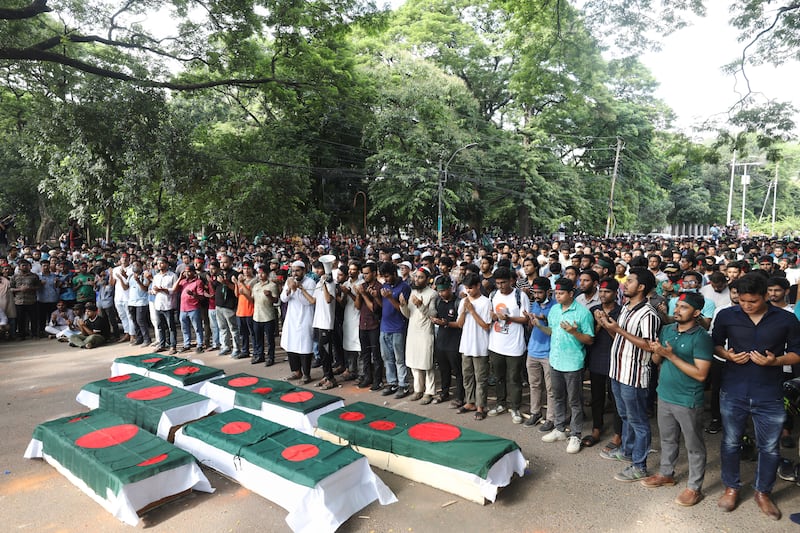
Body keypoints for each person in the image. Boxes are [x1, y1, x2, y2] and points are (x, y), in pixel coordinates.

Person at [712, 273, 800, 520]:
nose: (746, 305)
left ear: (766, 296)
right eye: (742, 300)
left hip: (770, 393)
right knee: (730, 442)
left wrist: (776, 361)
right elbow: (715, 344)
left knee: (769, 447)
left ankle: (763, 492)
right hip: (733, 389)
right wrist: (727, 355)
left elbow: (797, 352)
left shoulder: (786, 319)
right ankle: (732, 487)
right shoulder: (727, 315)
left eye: (752, 301)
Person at [642, 291, 712, 507]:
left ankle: (694, 487)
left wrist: (670, 355)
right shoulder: (667, 329)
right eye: (677, 306)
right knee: (667, 439)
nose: (678, 310)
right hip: (665, 394)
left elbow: (701, 374)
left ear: (697, 312)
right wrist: (658, 352)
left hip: (688, 398)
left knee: (694, 445)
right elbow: (656, 360)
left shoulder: (702, 338)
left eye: (684, 307)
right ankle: (666, 473)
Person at [596, 268, 661, 482]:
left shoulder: (648, 314)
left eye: (630, 281)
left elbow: (650, 346)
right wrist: (607, 325)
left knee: (639, 421)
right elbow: (619, 337)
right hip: (617, 371)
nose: (625, 284)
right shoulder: (626, 307)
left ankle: (640, 466)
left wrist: (620, 330)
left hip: (634, 376)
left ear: (641, 287)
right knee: (625, 416)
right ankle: (627, 451)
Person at [539, 277, 594, 454]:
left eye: (561, 293)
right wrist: (537, 326)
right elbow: (552, 331)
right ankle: (560, 429)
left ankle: (576, 434)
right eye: (556, 293)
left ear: (571, 294)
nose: (558, 296)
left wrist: (574, 332)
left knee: (575, 401)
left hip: (572, 362)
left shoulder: (583, 313)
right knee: (558, 397)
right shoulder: (554, 310)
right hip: (555, 360)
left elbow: (590, 339)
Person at [486, 267, 530, 424]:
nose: (500, 286)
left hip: (514, 345)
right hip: (496, 344)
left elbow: (526, 319)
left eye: (503, 282)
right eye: (497, 283)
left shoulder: (520, 296)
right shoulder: (493, 295)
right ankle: (500, 403)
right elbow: (489, 314)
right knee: (499, 377)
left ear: (511, 281)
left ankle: (515, 407)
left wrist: (509, 318)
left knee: (514, 378)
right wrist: (494, 316)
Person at [585, 278, 624, 450]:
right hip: (596, 359)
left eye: (607, 292)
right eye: (601, 291)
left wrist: (606, 323)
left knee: (616, 398)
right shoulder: (593, 310)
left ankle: (618, 434)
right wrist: (599, 324)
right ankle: (596, 428)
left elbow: (620, 338)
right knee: (596, 397)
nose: (602, 295)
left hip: (615, 360)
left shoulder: (622, 312)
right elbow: (590, 337)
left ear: (616, 293)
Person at [456, 272, 492, 419]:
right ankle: (470, 401)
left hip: (480, 345)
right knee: (467, 375)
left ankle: (480, 406)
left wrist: (472, 310)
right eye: (466, 288)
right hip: (466, 345)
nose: (468, 291)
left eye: (471, 287)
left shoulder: (486, 302)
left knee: (481, 378)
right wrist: (465, 311)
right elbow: (459, 324)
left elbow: (486, 326)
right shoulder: (464, 301)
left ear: (478, 286)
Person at [523, 276, 556, 430]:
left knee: (551, 389)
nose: (536, 296)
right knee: (534, 385)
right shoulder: (534, 304)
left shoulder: (555, 306)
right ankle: (535, 412)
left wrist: (541, 318)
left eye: (539, 293)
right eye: (534, 292)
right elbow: (533, 324)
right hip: (533, 350)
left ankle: (551, 418)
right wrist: (530, 319)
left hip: (548, 353)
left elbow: (552, 327)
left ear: (548, 292)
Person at [402, 267, 438, 404]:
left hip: (425, 332)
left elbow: (433, 315)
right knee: (414, 363)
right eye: (416, 277)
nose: (417, 280)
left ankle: (429, 392)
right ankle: (418, 390)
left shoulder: (433, 294)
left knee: (427, 363)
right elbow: (407, 315)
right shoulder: (412, 292)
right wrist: (403, 305)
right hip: (413, 331)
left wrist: (420, 305)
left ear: (427, 279)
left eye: (420, 277)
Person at [378, 261, 412, 399]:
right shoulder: (384, 286)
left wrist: (391, 297)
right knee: (387, 358)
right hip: (384, 327)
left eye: (387, 276)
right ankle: (392, 383)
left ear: (394, 273)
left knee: (399, 358)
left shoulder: (404, 287)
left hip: (398, 327)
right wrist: (377, 296)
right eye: (383, 277)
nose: (385, 279)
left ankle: (403, 385)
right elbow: (383, 305)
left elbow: (403, 310)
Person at [280, 260, 316, 383]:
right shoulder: (289, 281)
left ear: (304, 271)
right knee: (291, 345)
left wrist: (296, 290)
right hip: (291, 319)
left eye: (298, 270)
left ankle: (306, 374)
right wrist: (288, 290)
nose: (295, 273)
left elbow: (307, 302)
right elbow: (283, 299)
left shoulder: (310, 282)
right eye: (293, 270)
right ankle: (296, 372)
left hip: (305, 318)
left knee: (305, 348)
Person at [431, 275, 463, 406]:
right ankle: (444, 392)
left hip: (454, 341)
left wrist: (446, 323)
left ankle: (460, 397)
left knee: (457, 370)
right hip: (441, 340)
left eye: (443, 291)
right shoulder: (438, 301)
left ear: (450, 288)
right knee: (444, 370)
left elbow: (460, 323)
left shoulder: (458, 302)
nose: (441, 293)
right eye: (439, 291)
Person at [354, 261, 383, 390]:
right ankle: (367, 377)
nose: (364, 276)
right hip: (362, 324)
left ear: (374, 273)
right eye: (363, 274)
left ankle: (378, 379)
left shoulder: (378, 287)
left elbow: (374, 308)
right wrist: (359, 294)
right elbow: (357, 306)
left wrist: (365, 294)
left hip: (374, 324)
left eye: (367, 273)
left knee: (375, 354)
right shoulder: (362, 286)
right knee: (365, 354)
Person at [311, 260, 337, 389]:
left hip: (327, 323)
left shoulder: (331, 283)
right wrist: (301, 289)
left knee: (326, 351)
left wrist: (325, 285)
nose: (316, 272)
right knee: (321, 351)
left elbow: (328, 299)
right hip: (318, 321)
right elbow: (313, 300)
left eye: (318, 269)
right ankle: (326, 375)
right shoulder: (318, 283)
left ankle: (331, 378)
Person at [173, 265, 207, 353]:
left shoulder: (198, 282)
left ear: (193, 272)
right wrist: (180, 278)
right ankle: (186, 344)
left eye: (189, 271)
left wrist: (193, 294)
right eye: (185, 272)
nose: (187, 273)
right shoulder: (183, 281)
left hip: (194, 308)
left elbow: (201, 296)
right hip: (183, 308)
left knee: (197, 327)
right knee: (184, 328)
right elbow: (174, 289)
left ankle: (199, 344)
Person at [213, 254, 242, 358]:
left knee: (233, 328)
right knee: (222, 327)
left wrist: (225, 282)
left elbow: (236, 289)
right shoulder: (219, 273)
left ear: (230, 263)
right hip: (219, 305)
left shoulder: (235, 274)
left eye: (225, 262)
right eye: (221, 262)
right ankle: (225, 346)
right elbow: (215, 286)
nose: (222, 264)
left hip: (229, 305)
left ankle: (236, 348)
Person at [251, 264, 279, 365]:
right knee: (258, 338)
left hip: (268, 316)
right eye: (259, 273)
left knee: (270, 339)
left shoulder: (272, 285)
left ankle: (271, 357)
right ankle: (260, 355)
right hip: (257, 316)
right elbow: (252, 298)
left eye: (262, 273)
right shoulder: (256, 286)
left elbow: (275, 300)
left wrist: (270, 296)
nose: (260, 275)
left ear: (267, 274)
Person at [151, 257, 178, 354]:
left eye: (161, 263)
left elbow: (174, 290)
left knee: (171, 327)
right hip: (158, 304)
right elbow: (153, 290)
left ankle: (173, 346)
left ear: (166, 264)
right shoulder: (156, 276)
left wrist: (163, 289)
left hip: (168, 304)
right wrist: (154, 290)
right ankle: (162, 344)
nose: (159, 265)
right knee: (160, 326)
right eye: (158, 264)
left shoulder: (172, 276)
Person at [10, 259, 41, 340]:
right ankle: (21, 335)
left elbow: (38, 287)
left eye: (26, 265)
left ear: (29, 266)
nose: (25, 267)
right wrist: (19, 289)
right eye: (23, 265)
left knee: (33, 318)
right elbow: (11, 289)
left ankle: (34, 334)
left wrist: (30, 288)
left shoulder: (34, 276)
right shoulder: (14, 277)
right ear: (19, 267)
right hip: (19, 301)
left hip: (31, 301)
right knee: (20, 319)